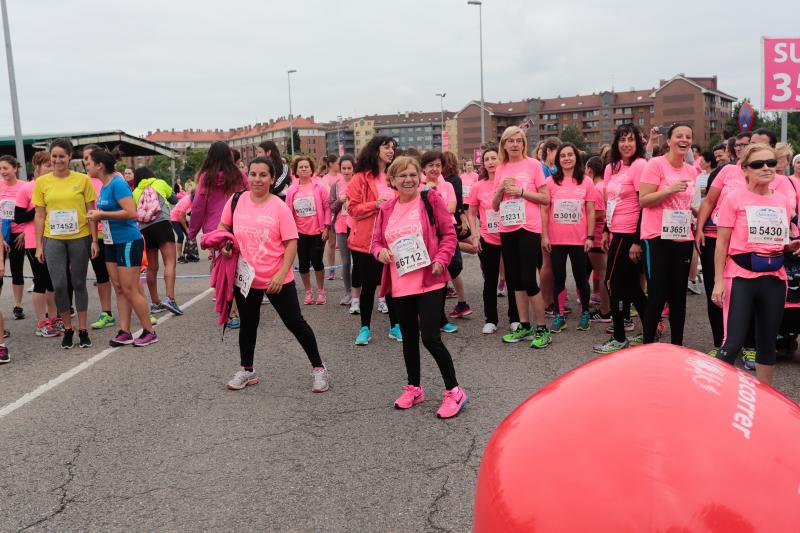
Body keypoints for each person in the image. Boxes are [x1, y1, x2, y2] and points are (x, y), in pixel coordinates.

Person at [218, 157, 330, 392]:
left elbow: (291, 242)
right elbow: (223, 228)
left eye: (263, 175)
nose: (257, 179)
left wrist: (281, 274)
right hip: (245, 278)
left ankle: (319, 369)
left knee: (295, 323)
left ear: (272, 179)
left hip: (276, 278)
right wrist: (225, 245)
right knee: (248, 324)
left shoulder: (279, 206)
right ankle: (247, 370)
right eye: (253, 174)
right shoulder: (237, 200)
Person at [371, 156, 467, 418]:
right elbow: (376, 242)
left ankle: (454, 391)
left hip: (429, 280)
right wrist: (380, 253)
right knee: (409, 339)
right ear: (392, 180)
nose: (408, 179)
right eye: (402, 175)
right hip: (400, 283)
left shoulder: (430, 199)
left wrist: (441, 258)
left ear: (420, 177)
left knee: (431, 338)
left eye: (413, 174)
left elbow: (449, 234)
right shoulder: (387, 209)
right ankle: (414, 387)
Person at [711, 144, 799, 386]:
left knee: (767, 343)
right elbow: (722, 244)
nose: (766, 168)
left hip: (774, 277)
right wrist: (718, 282)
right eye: (758, 164)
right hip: (740, 276)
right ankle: (715, 397)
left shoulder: (782, 201)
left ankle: (763, 404)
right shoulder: (733, 198)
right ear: (745, 170)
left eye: (771, 163)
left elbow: (780, 240)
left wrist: (790, 246)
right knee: (733, 342)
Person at [85, 149, 157, 347]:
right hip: (110, 242)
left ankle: (149, 331)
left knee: (130, 288)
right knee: (118, 288)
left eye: (88, 161)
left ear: (100, 165)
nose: (86, 165)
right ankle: (125, 331)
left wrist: (101, 215)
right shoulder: (104, 185)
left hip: (127, 241)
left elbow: (131, 212)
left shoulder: (118, 183)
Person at [33, 138, 98, 349]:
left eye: (62, 156)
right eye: (54, 156)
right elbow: (40, 216)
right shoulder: (42, 183)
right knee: (59, 285)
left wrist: (94, 240)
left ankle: (83, 329)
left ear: (70, 156)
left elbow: (91, 213)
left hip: (79, 237)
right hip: (54, 239)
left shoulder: (82, 180)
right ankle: (68, 329)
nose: (57, 160)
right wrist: (39, 245)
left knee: (79, 283)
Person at [492, 126, 551, 348]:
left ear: (524, 143)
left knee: (528, 279)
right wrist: (500, 191)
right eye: (511, 141)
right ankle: (524, 325)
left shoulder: (534, 165)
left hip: (528, 227)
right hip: (507, 228)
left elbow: (545, 198)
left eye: (519, 140)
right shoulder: (501, 168)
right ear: (504, 144)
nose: (515, 144)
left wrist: (522, 192)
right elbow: (495, 206)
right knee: (514, 280)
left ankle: (543, 328)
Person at [639, 123, 698, 345]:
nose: (684, 140)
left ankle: (677, 346)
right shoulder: (656, 165)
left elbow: (692, 204)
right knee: (657, 294)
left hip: (682, 237)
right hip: (656, 238)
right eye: (679, 136)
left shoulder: (692, 170)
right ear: (670, 141)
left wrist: (701, 219)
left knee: (678, 297)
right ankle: (648, 344)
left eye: (688, 136)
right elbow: (643, 200)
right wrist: (669, 189)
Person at [594, 125, 651, 354]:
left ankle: (619, 336)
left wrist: (637, 240)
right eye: (622, 140)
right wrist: (607, 230)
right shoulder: (611, 168)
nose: (626, 144)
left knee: (612, 284)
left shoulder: (640, 166)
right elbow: (610, 203)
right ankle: (651, 327)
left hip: (630, 234)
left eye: (631, 140)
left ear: (638, 143)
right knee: (631, 287)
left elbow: (643, 204)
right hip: (616, 231)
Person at [346, 135, 402, 345]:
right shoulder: (360, 177)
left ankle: (395, 326)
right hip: (366, 241)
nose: (390, 151)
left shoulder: (394, 175)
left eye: (393, 147)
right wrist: (375, 204)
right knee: (369, 286)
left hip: (392, 239)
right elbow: (352, 209)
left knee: (392, 285)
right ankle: (365, 328)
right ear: (375, 150)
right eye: (386, 147)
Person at [189, 141, 248, 327]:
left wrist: (192, 231)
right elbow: (249, 197)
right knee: (239, 267)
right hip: (239, 225)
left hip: (216, 230)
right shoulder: (239, 176)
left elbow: (198, 206)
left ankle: (229, 311)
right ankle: (238, 308)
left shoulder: (206, 177)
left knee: (223, 269)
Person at [541, 143, 596, 332]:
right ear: (558, 160)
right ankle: (559, 314)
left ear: (576, 158)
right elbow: (545, 211)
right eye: (562, 155)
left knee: (581, 277)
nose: (566, 158)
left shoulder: (586, 182)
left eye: (570, 155)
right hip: (556, 240)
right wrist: (545, 236)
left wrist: (590, 236)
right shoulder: (550, 182)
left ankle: (586, 313)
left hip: (579, 240)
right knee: (559, 278)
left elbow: (590, 211)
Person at [468, 145, 519, 334]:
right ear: (483, 164)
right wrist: (474, 236)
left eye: (493, 158)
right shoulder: (477, 186)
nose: (490, 162)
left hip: (510, 238)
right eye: (487, 159)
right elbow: (471, 213)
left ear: (500, 160)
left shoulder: (509, 182)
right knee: (489, 281)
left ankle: (515, 318)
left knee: (513, 279)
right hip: (488, 239)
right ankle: (491, 319)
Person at [16, 152, 60, 337]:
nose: (52, 167)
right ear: (38, 167)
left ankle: (54, 318)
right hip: (35, 241)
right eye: (48, 165)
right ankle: (41, 322)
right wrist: (37, 208)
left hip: (55, 238)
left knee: (54, 282)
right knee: (40, 281)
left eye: (52, 164)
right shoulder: (27, 189)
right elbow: (17, 217)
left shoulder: (55, 185)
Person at [132, 167, 183, 316]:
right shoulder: (160, 183)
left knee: (152, 267)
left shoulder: (135, 192)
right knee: (170, 262)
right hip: (162, 225)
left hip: (145, 229)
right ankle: (170, 298)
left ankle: (155, 303)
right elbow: (175, 199)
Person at [284, 156, 331, 305]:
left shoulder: (319, 187)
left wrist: (326, 226)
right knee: (303, 263)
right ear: (296, 171)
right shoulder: (292, 189)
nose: (304, 169)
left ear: (311, 169)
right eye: (301, 167)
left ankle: (321, 291)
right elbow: (287, 212)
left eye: (306, 167)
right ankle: (308, 292)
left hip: (317, 231)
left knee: (317, 262)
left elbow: (327, 207)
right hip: (299, 233)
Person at [80, 145, 115, 331]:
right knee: (102, 276)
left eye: (89, 158)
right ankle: (106, 313)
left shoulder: (114, 178)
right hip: (96, 234)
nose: (86, 162)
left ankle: (138, 307)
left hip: (117, 233)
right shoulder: (84, 181)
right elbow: (88, 210)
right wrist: (94, 239)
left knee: (124, 277)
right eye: (84, 159)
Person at [441, 151, 471, 321]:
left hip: (454, 222)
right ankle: (461, 302)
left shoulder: (451, 181)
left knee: (455, 260)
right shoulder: (447, 180)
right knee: (452, 266)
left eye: (439, 164)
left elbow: (457, 203)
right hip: (455, 221)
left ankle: (481, 247)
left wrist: (463, 218)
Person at [584, 155, 611, 323]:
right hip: (603, 235)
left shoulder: (597, 188)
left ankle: (605, 311)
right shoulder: (605, 185)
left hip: (598, 236)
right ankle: (605, 308)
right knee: (603, 273)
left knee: (602, 274)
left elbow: (600, 213)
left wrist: (584, 217)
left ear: (590, 170)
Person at [0, 155, 27, 321]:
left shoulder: (24, 187)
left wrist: (25, 232)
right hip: (1, 233)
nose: (3, 172)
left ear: (15, 168)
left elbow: (30, 211)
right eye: (0, 169)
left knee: (17, 269)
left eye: (6, 168)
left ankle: (18, 305)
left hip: (19, 233)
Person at [330, 154, 358, 306]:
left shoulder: (359, 182)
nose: (346, 171)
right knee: (346, 262)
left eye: (349, 168)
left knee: (358, 262)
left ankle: (357, 293)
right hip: (341, 226)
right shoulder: (336, 185)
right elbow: (331, 206)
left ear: (354, 169)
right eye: (344, 168)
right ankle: (347, 292)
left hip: (357, 226)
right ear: (340, 169)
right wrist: (340, 202)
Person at [320, 155, 341, 280]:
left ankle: (345, 269)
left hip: (344, 214)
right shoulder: (325, 178)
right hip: (333, 213)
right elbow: (330, 195)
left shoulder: (342, 176)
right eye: (338, 163)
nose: (340, 165)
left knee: (346, 245)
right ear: (331, 164)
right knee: (331, 243)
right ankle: (332, 269)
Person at [171, 192, 192, 262]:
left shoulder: (193, 199)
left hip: (183, 217)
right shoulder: (187, 201)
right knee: (180, 236)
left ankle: (189, 254)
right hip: (174, 218)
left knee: (190, 236)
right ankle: (180, 257)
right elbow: (180, 217)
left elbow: (189, 214)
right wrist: (186, 229)